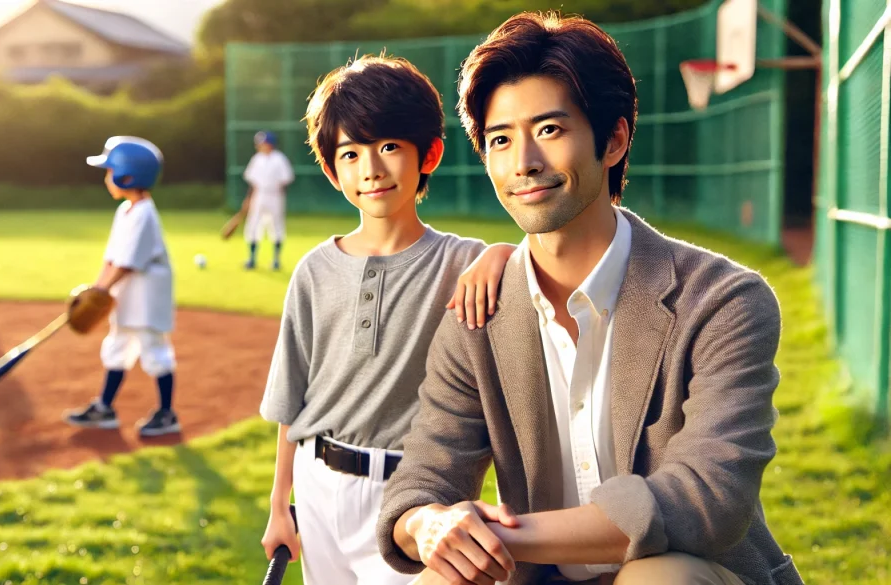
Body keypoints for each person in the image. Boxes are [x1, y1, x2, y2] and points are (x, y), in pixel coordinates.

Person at [376, 12, 803, 585]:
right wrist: (429, 524)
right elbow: (424, 477)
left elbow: (706, 498)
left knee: (657, 579)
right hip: (541, 576)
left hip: (695, 572)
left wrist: (496, 534)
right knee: (440, 578)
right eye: (500, 140)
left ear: (615, 141)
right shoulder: (477, 313)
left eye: (550, 130)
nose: (523, 161)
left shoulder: (724, 302)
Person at [258, 55, 518, 585]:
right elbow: (292, 399)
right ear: (332, 170)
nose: (371, 169)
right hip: (316, 482)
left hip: (413, 502)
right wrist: (279, 504)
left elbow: (541, 265)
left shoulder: (463, 263)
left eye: (389, 147)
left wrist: (502, 254)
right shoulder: (313, 270)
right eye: (350, 153)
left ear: (430, 154)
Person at [63, 136, 181, 438]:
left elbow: (128, 263)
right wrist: (95, 288)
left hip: (147, 296)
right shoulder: (126, 211)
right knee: (117, 347)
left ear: (127, 176)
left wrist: (102, 291)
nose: (106, 178)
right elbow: (112, 259)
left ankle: (167, 414)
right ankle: (105, 408)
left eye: (109, 171)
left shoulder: (144, 214)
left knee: (154, 351)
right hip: (127, 293)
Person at [242, 130, 294, 270]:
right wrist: (249, 198)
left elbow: (286, 178)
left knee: (276, 226)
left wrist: (280, 195)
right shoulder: (257, 159)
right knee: (253, 225)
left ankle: (276, 260)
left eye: (264, 143)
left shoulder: (279, 159)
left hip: (275, 195)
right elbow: (252, 181)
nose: (261, 146)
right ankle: (252, 259)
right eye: (259, 143)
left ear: (271, 144)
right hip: (259, 195)